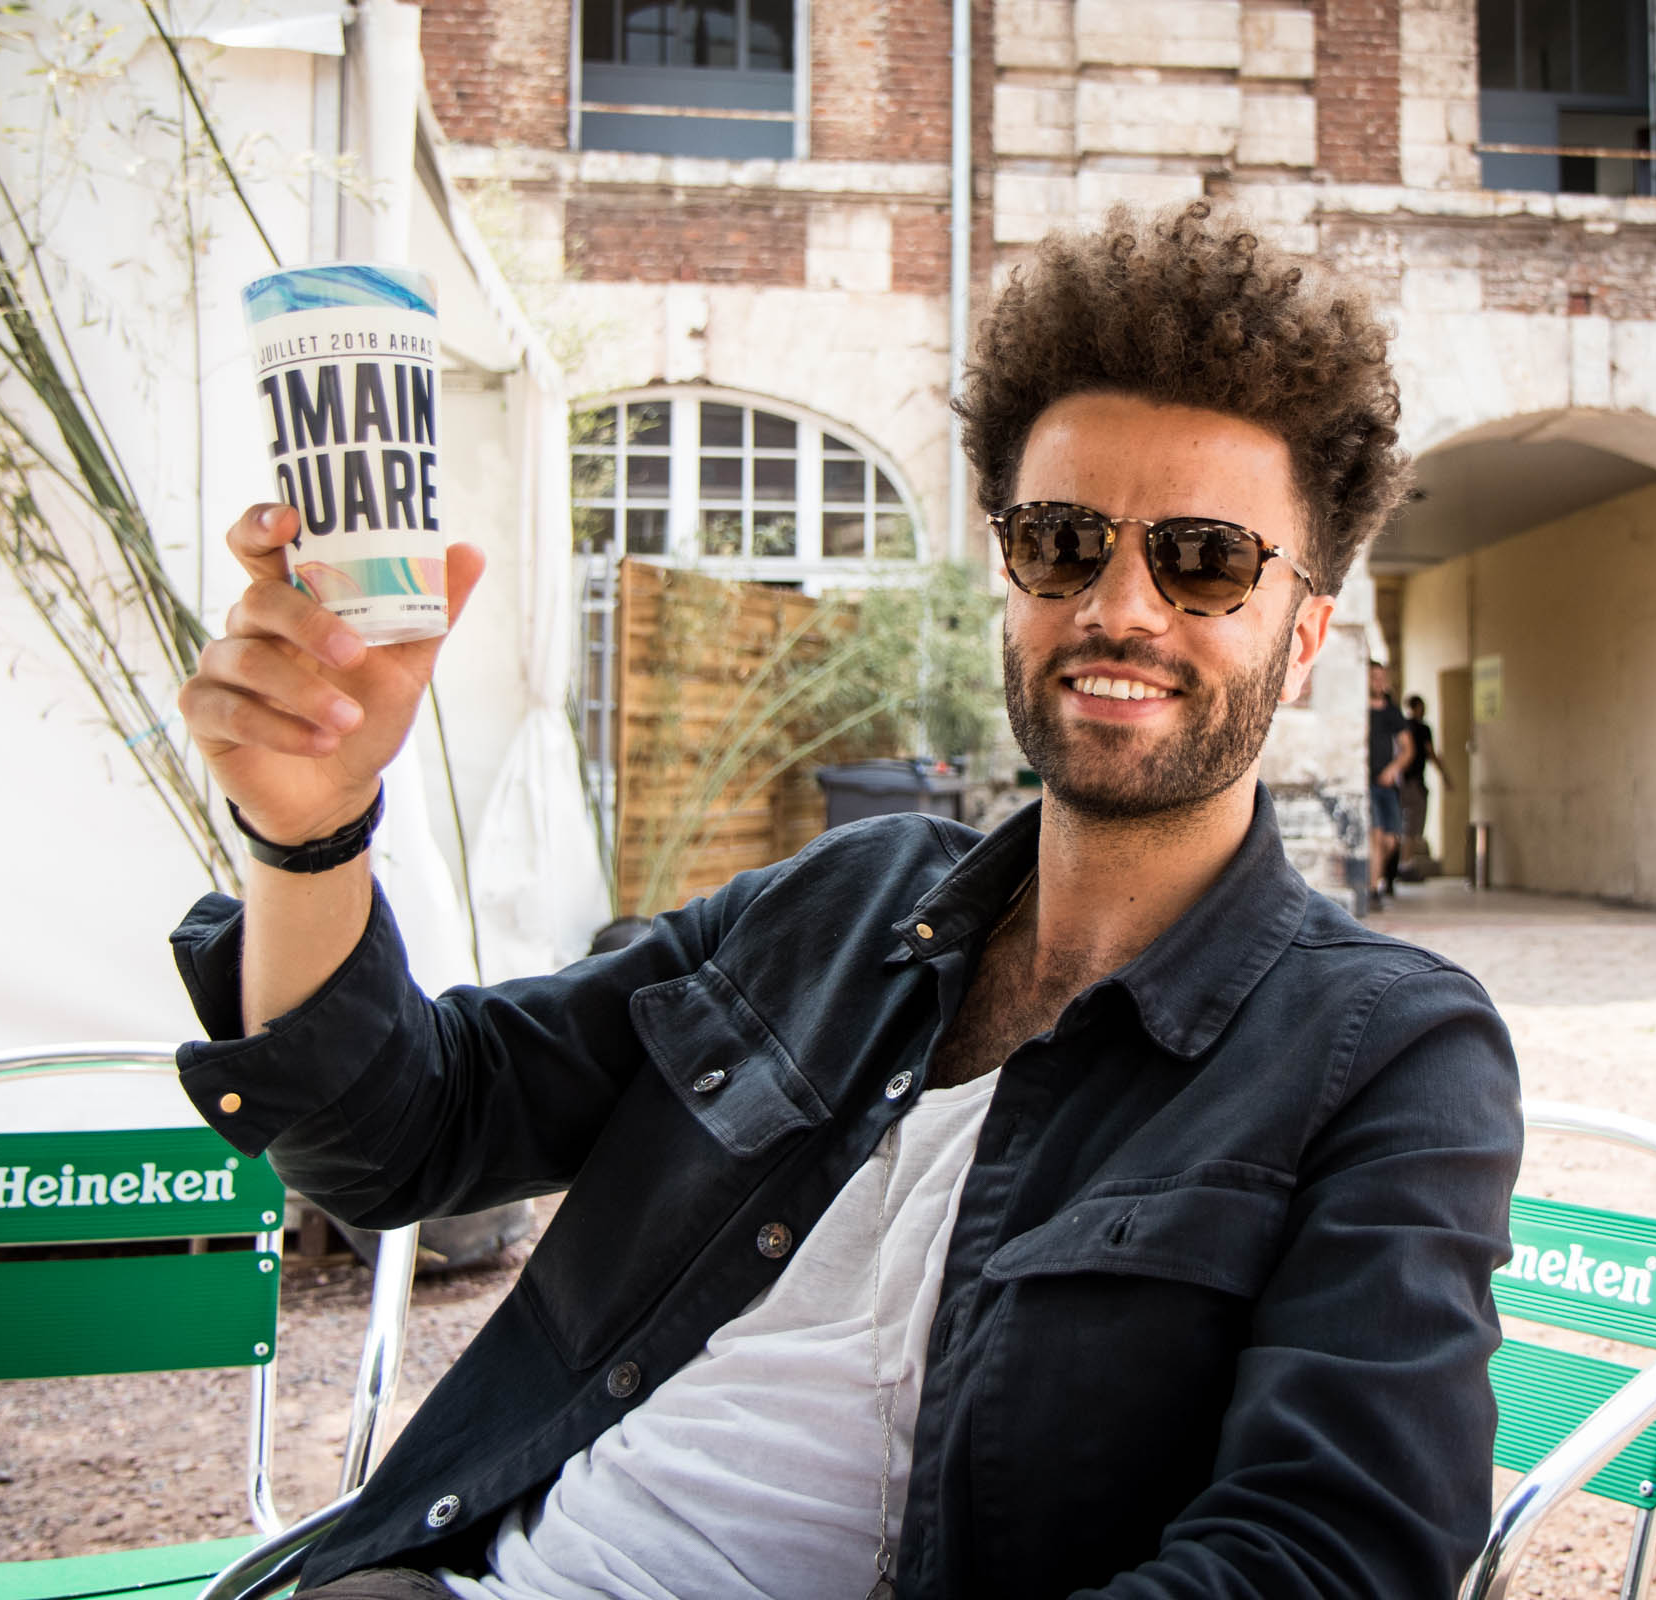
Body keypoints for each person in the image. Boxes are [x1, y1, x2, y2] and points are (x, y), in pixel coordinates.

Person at [170, 201, 1521, 1600]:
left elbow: (1329, 1555)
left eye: (1208, 559)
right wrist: (311, 832)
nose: (1122, 607)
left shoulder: (1383, 1054)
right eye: (1062, 540)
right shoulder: (844, 906)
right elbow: (403, 1134)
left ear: (1302, 637)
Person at [1368, 661, 1413, 901]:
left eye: (1381, 677)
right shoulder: (1358, 709)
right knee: (1375, 835)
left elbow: (1408, 749)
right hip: (1366, 785)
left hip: (1387, 786)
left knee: (1390, 840)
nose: (1378, 682)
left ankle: (1378, 879)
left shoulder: (1392, 713)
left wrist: (1392, 770)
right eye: (1373, 677)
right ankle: (1373, 889)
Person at [1400, 692, 1454, 871]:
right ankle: (1406, 864)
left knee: (1404, 823)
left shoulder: (1402, 726)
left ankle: (1403, 863)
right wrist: (1445, 776)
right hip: (1414, 782)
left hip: (1400, 783)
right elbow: (1431, 753)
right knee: (1413, 825)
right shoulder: (1422, 729)